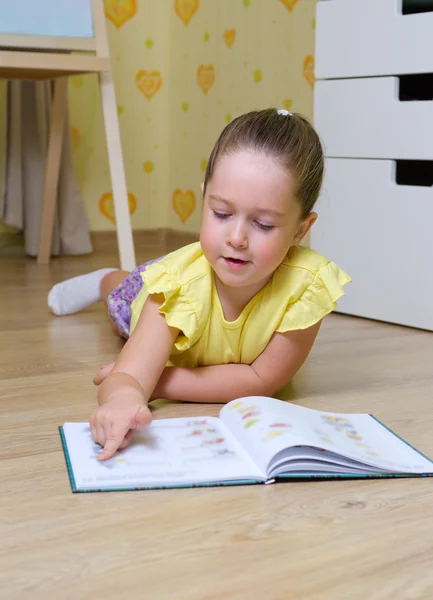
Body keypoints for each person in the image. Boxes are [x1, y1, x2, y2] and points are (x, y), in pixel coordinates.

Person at [48, 108, 351, 461]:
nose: (236, 238)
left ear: (301, 229)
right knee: (122, 293)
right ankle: (104, 278)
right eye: (221, 214)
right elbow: (126, 376)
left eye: (263, 224)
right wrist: (124, 395)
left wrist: (155, 382)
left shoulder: (308, 288)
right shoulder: (172, 288)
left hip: (184, 333)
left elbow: (262, 380)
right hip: (153, 289)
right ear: (205, 198)